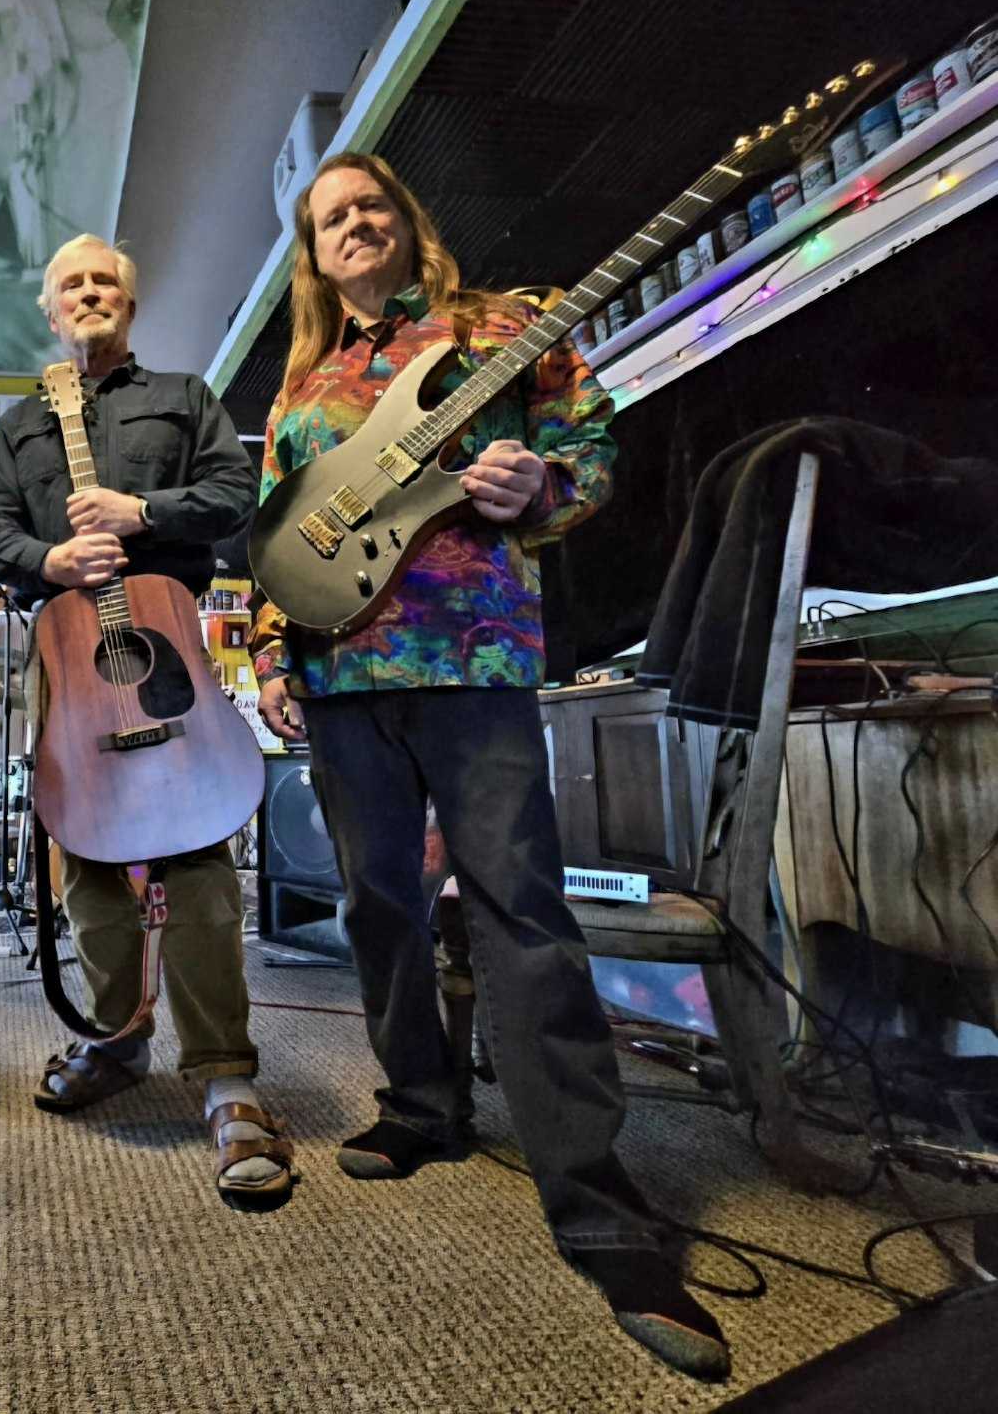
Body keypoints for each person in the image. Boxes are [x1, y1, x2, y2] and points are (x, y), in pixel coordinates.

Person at [249, 152, 730, 1381]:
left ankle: (596, 1201)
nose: (352, 224)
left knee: (520, 911)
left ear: (406, 219)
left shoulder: (500, 329)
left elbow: (589, 450)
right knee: (375, 905)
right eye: (329, 217)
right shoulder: (303, 379)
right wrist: (266, 651)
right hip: (339, 678)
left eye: (369, 204)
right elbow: (277, 529)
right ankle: (420, 1103)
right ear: (313, 254)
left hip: (469, 655)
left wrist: (539, 484)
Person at [0, 234, 294, 1211]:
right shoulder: (17, 425)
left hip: (165, 649)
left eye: (105, 279)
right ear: (49, 309)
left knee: (196, 854)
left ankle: (225, 1072)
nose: (88, 292)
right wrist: (49, 559)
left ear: (129, 303)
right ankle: (116, 1038)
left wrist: (139, 511)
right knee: (88, 863)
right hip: (67, 657)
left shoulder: (186, 398)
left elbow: (235, 495)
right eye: (70, 282)